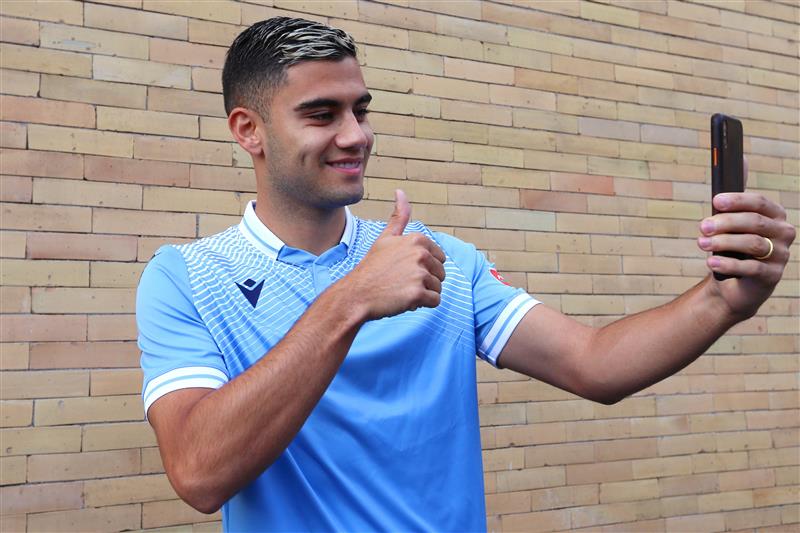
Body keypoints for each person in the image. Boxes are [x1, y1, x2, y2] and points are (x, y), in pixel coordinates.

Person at [137, 17, 795, 532]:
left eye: (360, 109)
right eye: (321, 114)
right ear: (248, 130)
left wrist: (722, 301)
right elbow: (199, 472)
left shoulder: (439, 258)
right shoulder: (187, 277)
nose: (356, 134)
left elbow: (594, 363)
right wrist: (353, 298)